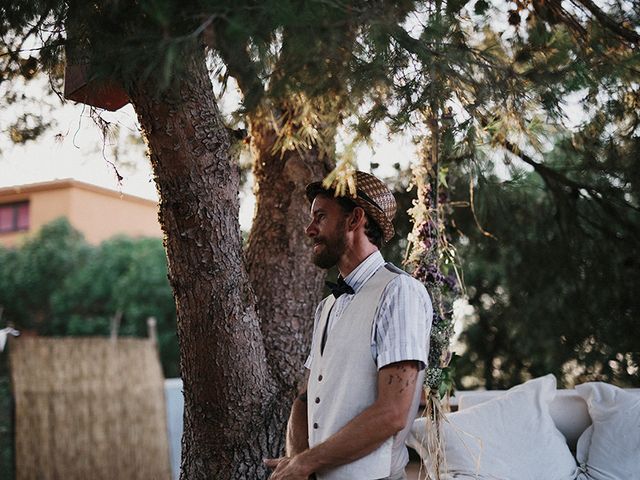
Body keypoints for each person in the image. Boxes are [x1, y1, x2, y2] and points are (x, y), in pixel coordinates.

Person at [265, 171, 433, 480]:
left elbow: (393, 412)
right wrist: (297, 460)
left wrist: (306, 463)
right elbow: (305, 399)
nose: (309, 229)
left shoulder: (399, 292)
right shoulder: (327, 306)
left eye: (320, 217)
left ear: (354, 219)